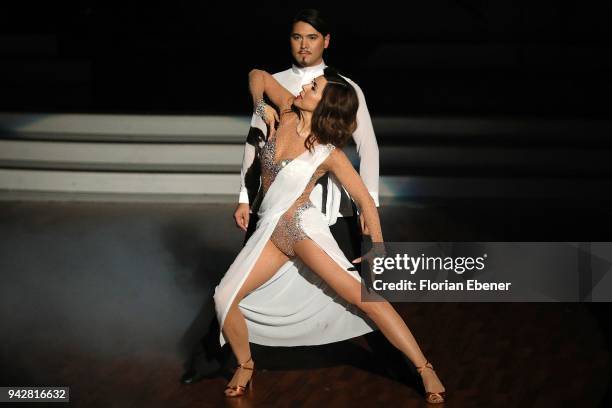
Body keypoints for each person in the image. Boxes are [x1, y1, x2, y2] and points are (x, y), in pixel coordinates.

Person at [181, 8, 404, 386]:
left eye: (312, 37)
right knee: (232, 284)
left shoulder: (344, 87)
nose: (304, 45)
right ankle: (212, 360)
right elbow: (254, 143)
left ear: (326, 41)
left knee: (360, 289)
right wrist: (242, 195)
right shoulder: (280, 85)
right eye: (297, 37)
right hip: (274, 202)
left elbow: (369, 148)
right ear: (290, 40)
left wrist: (370, 207)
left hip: (330, 207)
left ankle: (398, 362)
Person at [213, 67, 446, 404]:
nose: (305, 86)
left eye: (314, 87)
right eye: (310, 82)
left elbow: (364, 198)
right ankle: (246, 364)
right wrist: (258, 106)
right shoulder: (286, 111)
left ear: (324, 105)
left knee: (365, 299)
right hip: (269, 231)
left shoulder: (328, 154)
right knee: (223, 298)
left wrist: (377, 245)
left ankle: (424, 368)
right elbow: (257, 75)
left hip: (301, 230)